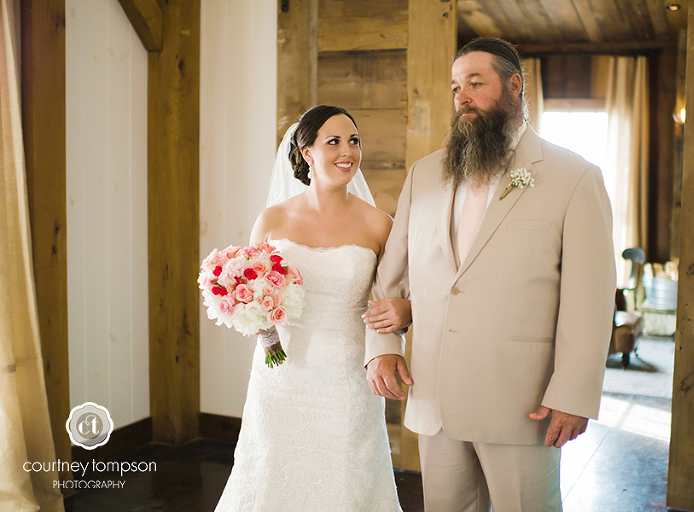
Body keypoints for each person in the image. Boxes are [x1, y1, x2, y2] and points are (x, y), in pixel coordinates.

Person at [362, 37, 616, 511]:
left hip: (522, 402)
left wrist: (574, 393)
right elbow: (390, 277)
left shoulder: (574, 176)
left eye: (476, 83)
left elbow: (591, 299)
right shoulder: (424, 174)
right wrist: (382, 348)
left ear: (514, 86)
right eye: (457, 86)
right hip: (433, 395)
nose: (462, 96)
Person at [215, 105, 409, 512]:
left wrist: (404, 313)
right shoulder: (271, 220)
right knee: (273, 470)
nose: (348, 151)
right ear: (306, 152)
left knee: (344, 478)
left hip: (347, 374)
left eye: (354, 140)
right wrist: (264, 333)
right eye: (333, 141)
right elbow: (245, 288)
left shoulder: (379, 224)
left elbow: (400, 294)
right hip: (282, 374)